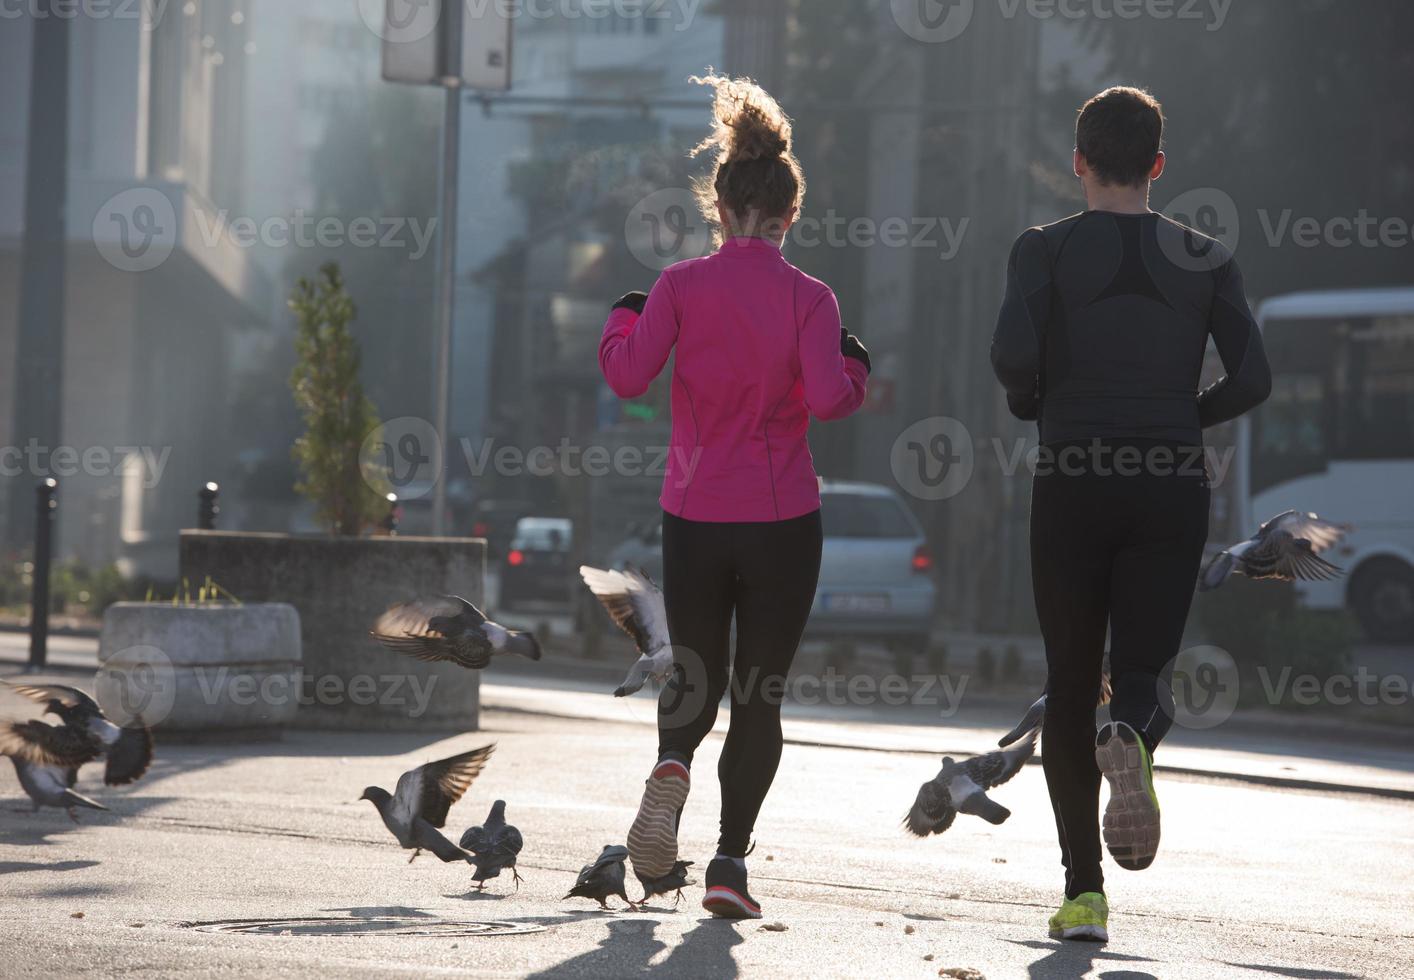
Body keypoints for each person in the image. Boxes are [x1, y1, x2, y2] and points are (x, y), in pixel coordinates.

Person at [990, 86, 1271, 943]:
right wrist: (1183, 418)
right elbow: (1254, 377)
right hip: (1168, 481)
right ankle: (1136, 738)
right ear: (1157, 165)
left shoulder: (1041, 250)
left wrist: (1035, 402)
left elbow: (1011, 356)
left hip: (1073, 476)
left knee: (1070, 686)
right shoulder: (1206, 256)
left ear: (1078, 161)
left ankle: (1084, 896)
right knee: (1141, 672)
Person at [599, 72, 870, 920]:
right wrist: (857, 365)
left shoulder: (680, 286)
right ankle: (727, 866)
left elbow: (630, 373)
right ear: (790, 216)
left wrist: (620, 316)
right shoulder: (812, 299)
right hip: (784, 518)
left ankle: (671, 767)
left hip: (694, 512)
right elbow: (830, 399)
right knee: (759, 691)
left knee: (695, 672)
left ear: (718, 206)